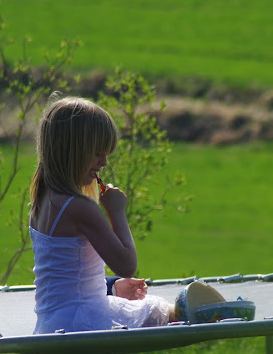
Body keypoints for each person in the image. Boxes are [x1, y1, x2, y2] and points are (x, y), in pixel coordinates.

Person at [29, 95, 176, 333]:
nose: (104, 162)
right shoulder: (80, 207)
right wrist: (116, 212)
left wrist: (113, 288)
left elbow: (65, 279)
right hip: (81, 321)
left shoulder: (41, 202)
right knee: (163, 310)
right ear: (72, 151)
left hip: (51, 322)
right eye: (98, 153)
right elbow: (126, 264)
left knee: (154, 311)